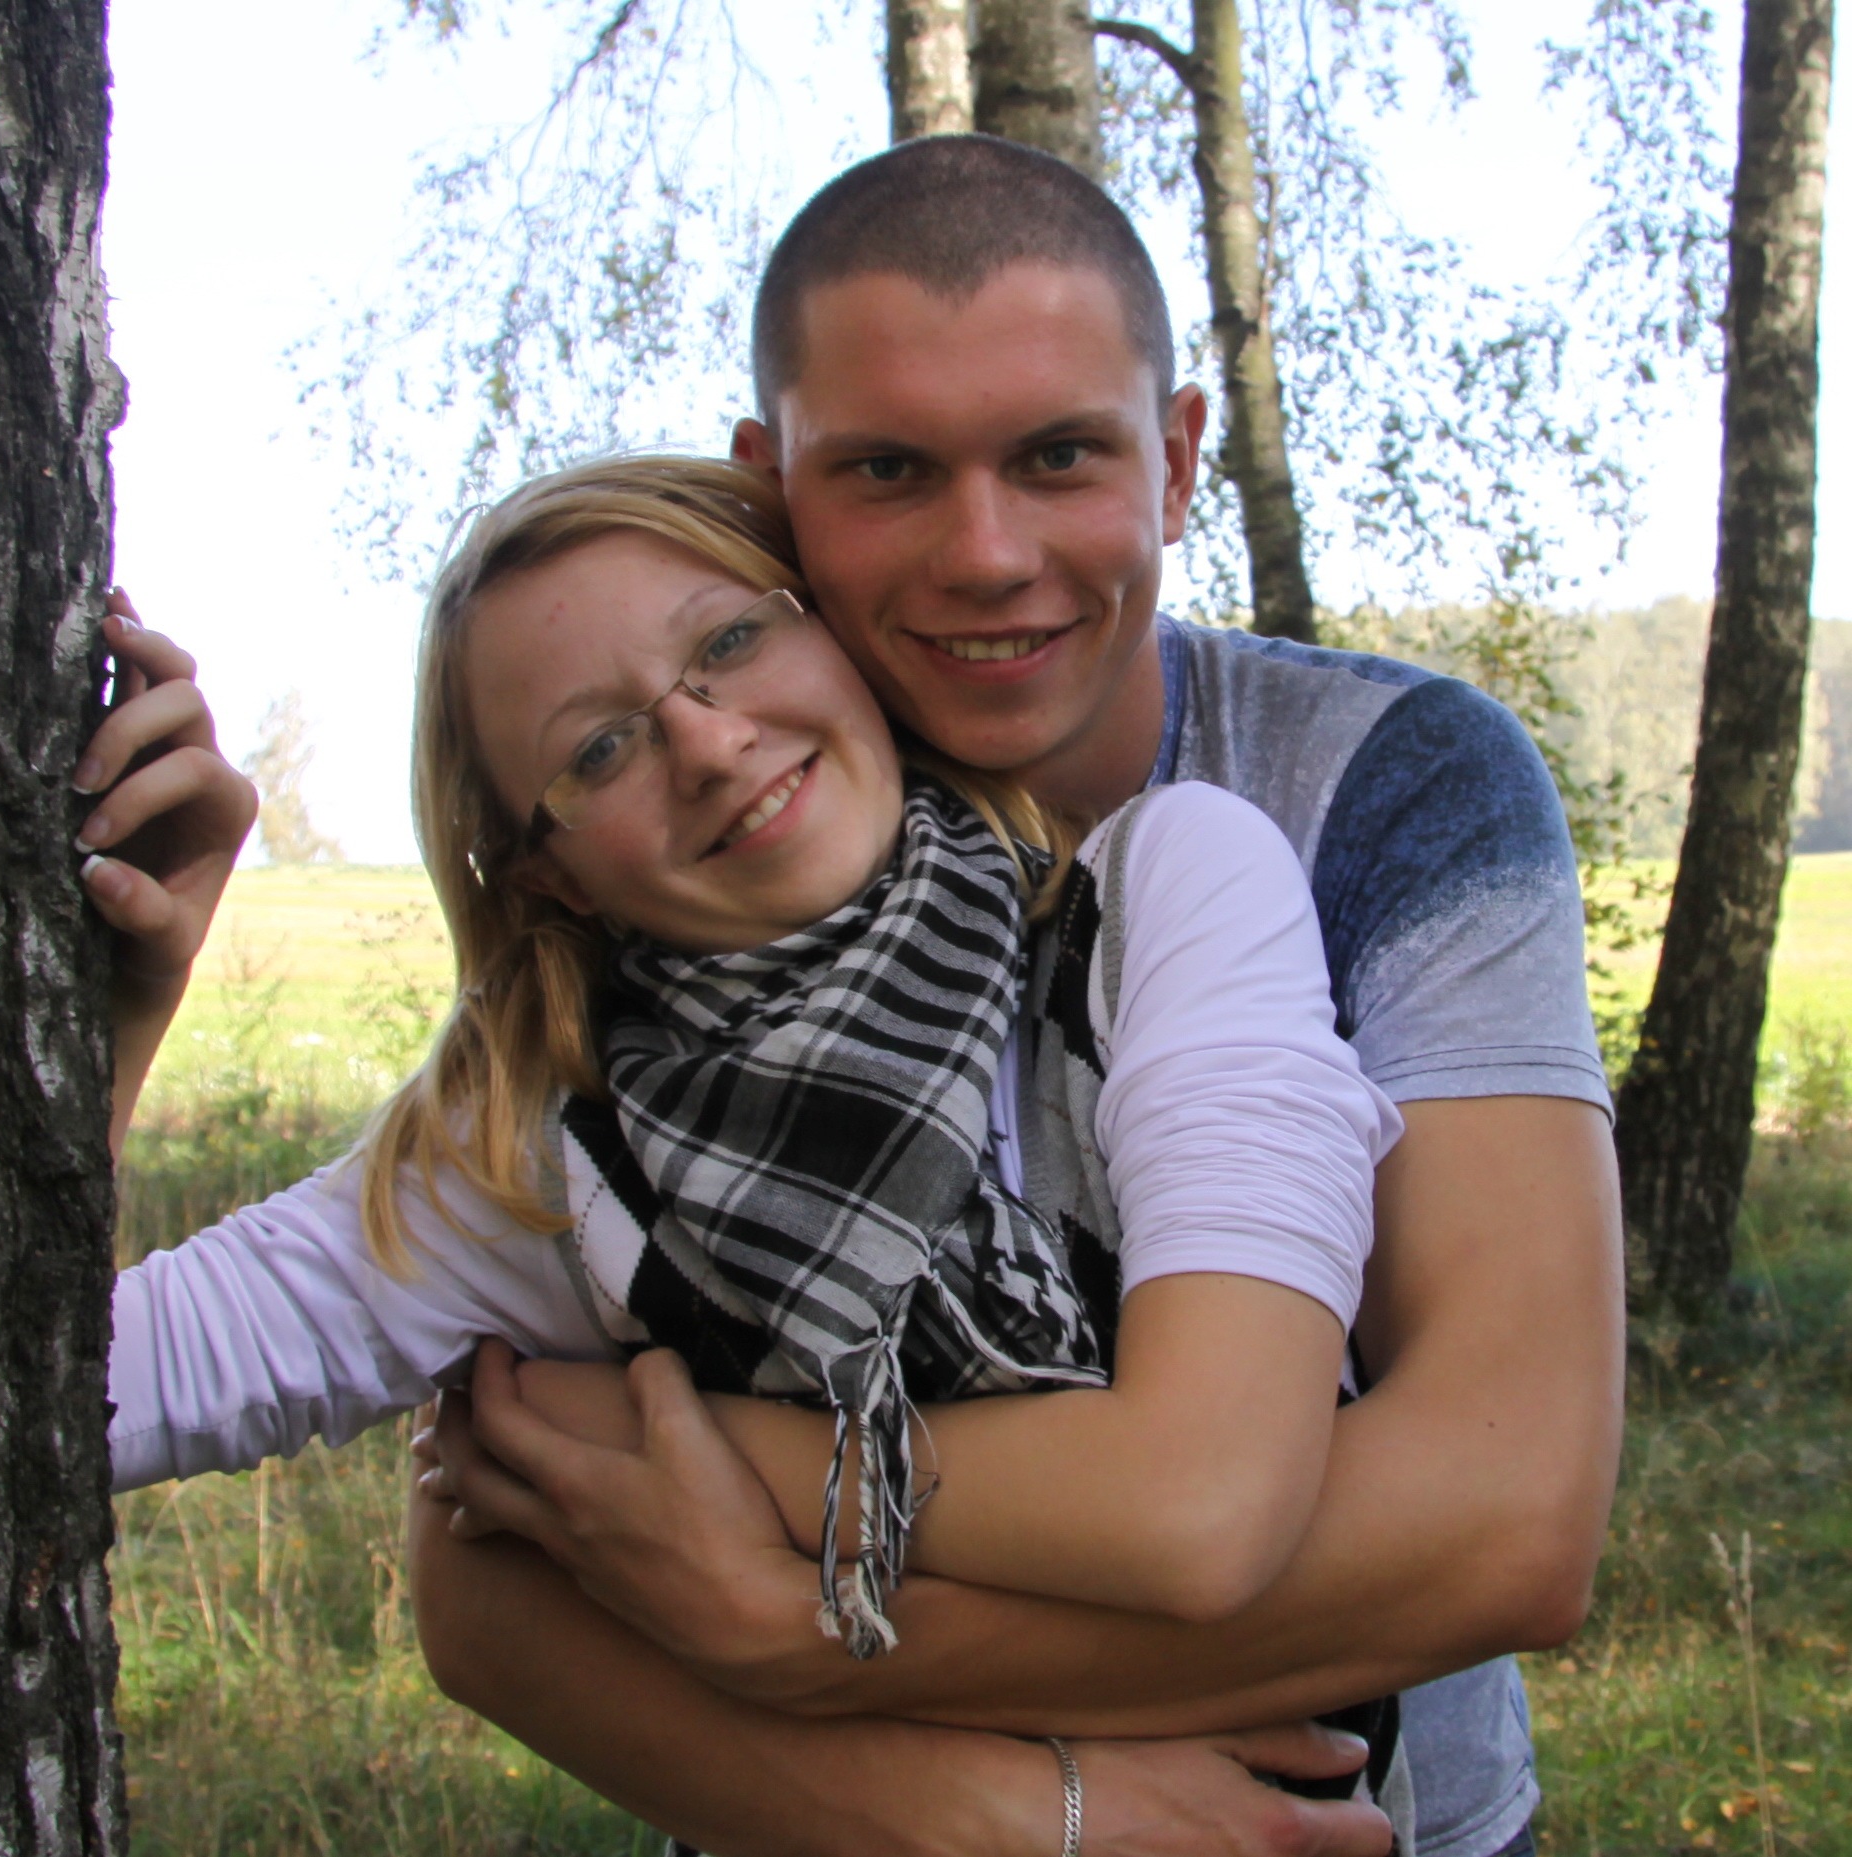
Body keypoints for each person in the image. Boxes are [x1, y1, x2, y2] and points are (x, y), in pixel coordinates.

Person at [400, 134, 1624, 1857]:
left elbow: (1505, 1515)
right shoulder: (703, 817)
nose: (985, 553)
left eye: (1059, 455)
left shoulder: (1393, 787)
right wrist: (1005, 1810)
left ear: (1176, 457)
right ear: (773, 486)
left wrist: (808, 1628)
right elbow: (483, 1568)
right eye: (888, 470)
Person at [96, 457, 1409, 1851]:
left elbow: (1203, 1507)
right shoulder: (544, 1163)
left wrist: (651, 1460)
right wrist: (112, 1020)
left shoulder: (1163, 903)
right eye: (598, 751)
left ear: (825, 628)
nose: (711, 745)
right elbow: (75, 1392)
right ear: (547, 871)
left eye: (729, 640)